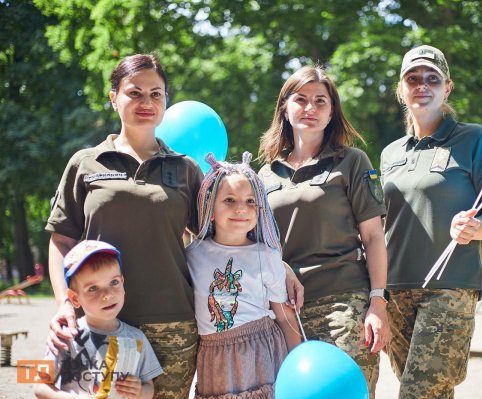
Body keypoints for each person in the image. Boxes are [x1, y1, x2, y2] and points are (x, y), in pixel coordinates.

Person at [44, 53, 305, 398]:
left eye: (156, 93)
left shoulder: (185, 170)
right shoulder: (86, 163)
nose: (146, 102)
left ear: (166, 99)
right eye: (134, 93)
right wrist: (65, 303)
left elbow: (226, 232)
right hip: (100, 320)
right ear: (113, 98)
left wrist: (279, 265)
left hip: (174, 324)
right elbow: (61, 240)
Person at [380, 45, 482, 398]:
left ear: (447, 87)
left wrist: (476, 229)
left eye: (432, 78)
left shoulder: (475, 138)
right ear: (401, 89)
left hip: (450, 287)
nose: (422, 85)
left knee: (418, 393)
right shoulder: (390, 153)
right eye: (413, 78)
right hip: (396, 291)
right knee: (431, 393)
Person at [258, 65, 390, 397]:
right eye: (301, 99)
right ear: (285, 109)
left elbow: (374, 236)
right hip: (283, 311)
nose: (310, 108)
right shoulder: (264, 176)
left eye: (321, 101)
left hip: (344, 304)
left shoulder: (352, 162)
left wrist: (378, 303)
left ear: (332, 113)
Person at [187, 152, 301, 398]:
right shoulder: (191, 255)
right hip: (215, 357)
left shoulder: (267, 255)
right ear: (210, 208)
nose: (241, 208)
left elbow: (284, 317)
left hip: (262, 351)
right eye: (229, 200)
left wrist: (299, 368)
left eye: (251, 201)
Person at [35, 240, 162, 399]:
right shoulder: (66, 337)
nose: (108, 294)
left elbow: (150, 389)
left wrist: (140, 391)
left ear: (122, 282)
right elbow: (40, 386)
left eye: (113, 282)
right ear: (74, 298)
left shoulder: (137, 338)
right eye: (93, 288)